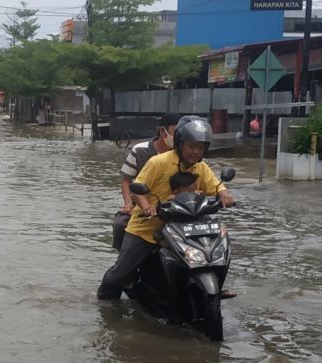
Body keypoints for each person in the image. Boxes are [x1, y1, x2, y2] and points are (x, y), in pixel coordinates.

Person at [98, 116, 235, 300]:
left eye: (200, 147)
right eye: (191, 146)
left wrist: (225, 196)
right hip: (146, 228)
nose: (196, 152)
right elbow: (137, 188)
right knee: (119, 275)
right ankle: (105, 301)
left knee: (215, 254)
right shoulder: (158, 162)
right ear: (180, 144)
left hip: (184, 228)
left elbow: (218, 187)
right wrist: (147, 206)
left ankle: (214, 288)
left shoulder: (201, 167)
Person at [111, 113, 181, 250]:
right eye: (175, 131)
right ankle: (123, 258)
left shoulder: (182, 154)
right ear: (162, 131)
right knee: (120, 225)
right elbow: (126, 181)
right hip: (142, 207)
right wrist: (128, 204)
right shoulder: (140, 150)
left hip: (173, 208)